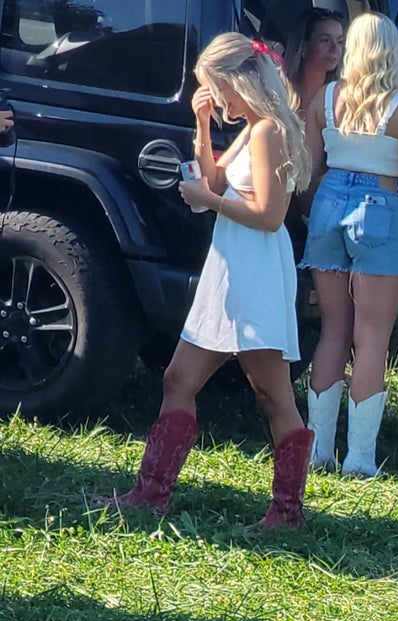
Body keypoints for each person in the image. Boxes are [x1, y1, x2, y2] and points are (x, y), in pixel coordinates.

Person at [101, 35, 314, 529]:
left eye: (218, 89)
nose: (218, 100)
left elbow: (269, 214)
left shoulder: (268, 132)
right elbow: (215, 182)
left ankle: (287, 511)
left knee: (272, 394)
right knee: (178, 378)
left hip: (255, 267)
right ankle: (150, 493)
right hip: (231, 264)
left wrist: (207, 198)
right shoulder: (252, 129)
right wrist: (200, 126)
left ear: (239, 79)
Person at [302, 11, 398, 476]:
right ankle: (359, 459)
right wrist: (395, 169)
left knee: (333, 331)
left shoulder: (326, 98)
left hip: (329, 205)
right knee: (372, 338)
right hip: (379, 208)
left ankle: (316, 450)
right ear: (391, 52)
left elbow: (309, 168)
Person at [282, 7, 344, 118]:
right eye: (325, 40)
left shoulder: (342, 94)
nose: (334, 48)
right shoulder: (277, 86)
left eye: (340, 41)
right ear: (303, 45)